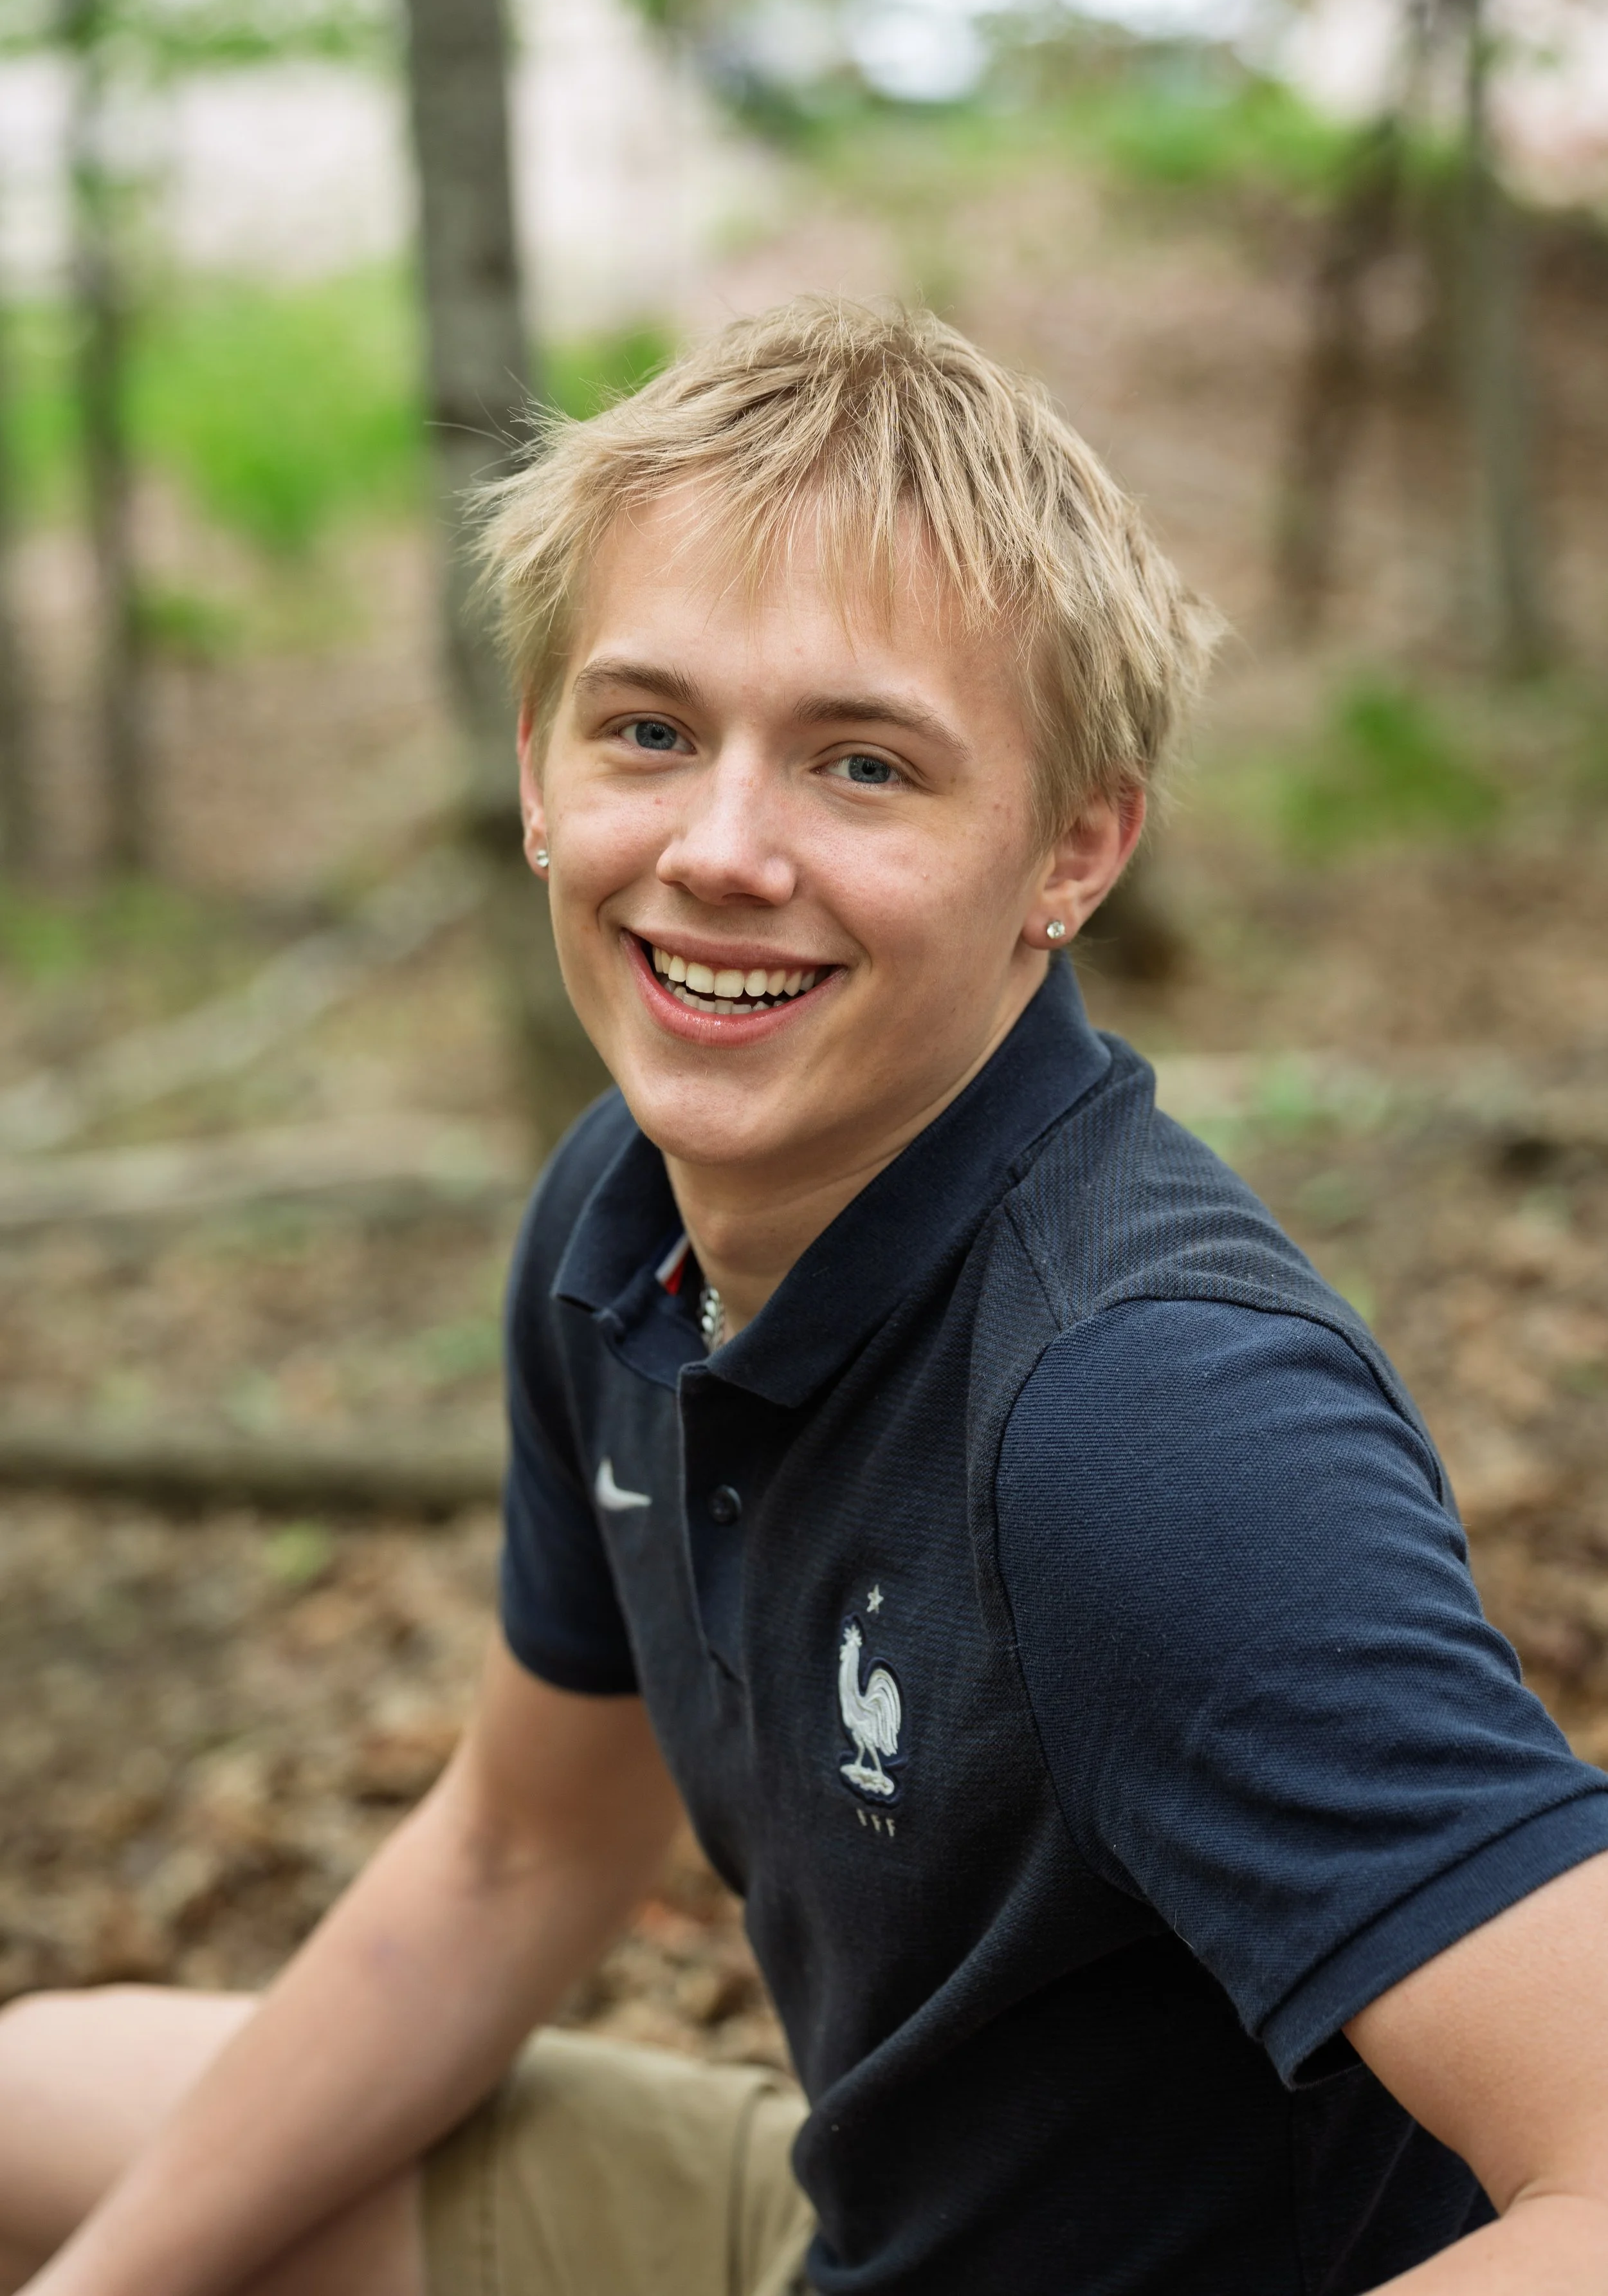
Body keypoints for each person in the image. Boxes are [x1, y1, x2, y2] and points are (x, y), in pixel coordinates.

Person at [3, 298, 1608, 2296]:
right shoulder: (626, 1219)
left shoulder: (1144, 1411)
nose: (721, 849)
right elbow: (518, 1850)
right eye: (649, 730)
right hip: (871, 2213)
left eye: (862, 764)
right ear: (534, 768)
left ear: (1071, 849)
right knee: (32, 2115)